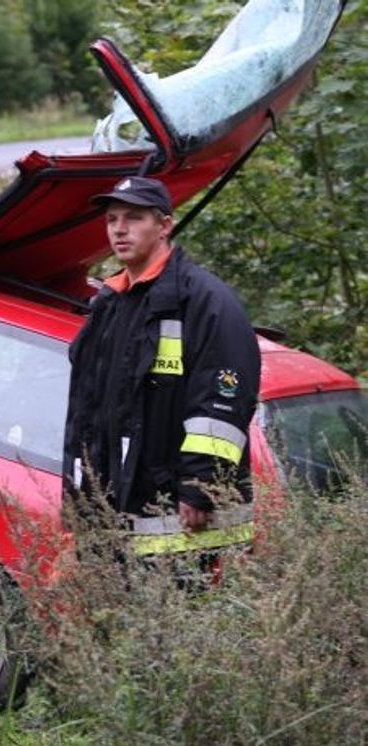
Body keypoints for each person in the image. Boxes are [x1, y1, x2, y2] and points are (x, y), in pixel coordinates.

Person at [62, 177, 260, 546]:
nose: (119, 229)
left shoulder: (204, 301)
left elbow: (222, 402)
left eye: (134, 218)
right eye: (112, 219)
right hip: (116, 512)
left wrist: (201, 486)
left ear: (165, 225)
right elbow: (91, 409)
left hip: (183, 520)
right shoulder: (110, 301)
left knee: (186, 602)